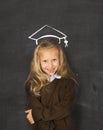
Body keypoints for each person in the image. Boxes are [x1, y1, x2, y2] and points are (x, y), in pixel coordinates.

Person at [24, 38, 77, 130]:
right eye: (45, 61)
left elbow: (64, 109)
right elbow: (35, 110)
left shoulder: (69, 83)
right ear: (38, 62)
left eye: (54, 60)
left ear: (60, 59)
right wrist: (38, 114)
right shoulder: (32, 84)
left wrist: (36, 114)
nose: (50, 65)